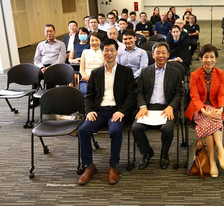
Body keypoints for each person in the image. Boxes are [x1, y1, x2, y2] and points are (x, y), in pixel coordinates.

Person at [77, 39, 136, 186]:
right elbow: (89, 96)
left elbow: (131, 96)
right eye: (106, 50)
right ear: (102, 52)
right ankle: (89, 166)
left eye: (112, 50)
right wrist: (89, 111)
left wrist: (122, 111)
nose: (109, 53)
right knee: (83, 130)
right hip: (99, 111)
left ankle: (113, 165)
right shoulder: (96, 73)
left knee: (115, 131)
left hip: (117, 111)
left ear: (117, 52)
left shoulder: (126, 72)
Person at [132, 42, 183, 170]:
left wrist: (171, 106)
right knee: (136, 128)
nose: (161, 56)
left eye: (163, 53)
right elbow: (139, 92)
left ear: (168, 55)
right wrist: (142, 106)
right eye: (158, 53)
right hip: (148, 108)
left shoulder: (175, 72)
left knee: (167, 129)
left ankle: (164, 155)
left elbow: (179, 92)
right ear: (153, 55)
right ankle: (147, 152)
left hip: (166, 108)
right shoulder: (145, 71)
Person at [185, 44, 224, 178]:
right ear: (200, 58)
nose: (209, 60)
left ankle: (212, 160)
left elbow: (222, 94)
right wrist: (204, 112)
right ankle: (220, 151)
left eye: (212, 57)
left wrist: (221, 108)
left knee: (212, 125)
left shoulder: (220, 73)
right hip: (199, 109)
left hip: (216, 108)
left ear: (216, 58)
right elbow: (194, 96)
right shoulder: (194, 75)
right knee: (214, 123)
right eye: (206, 57)